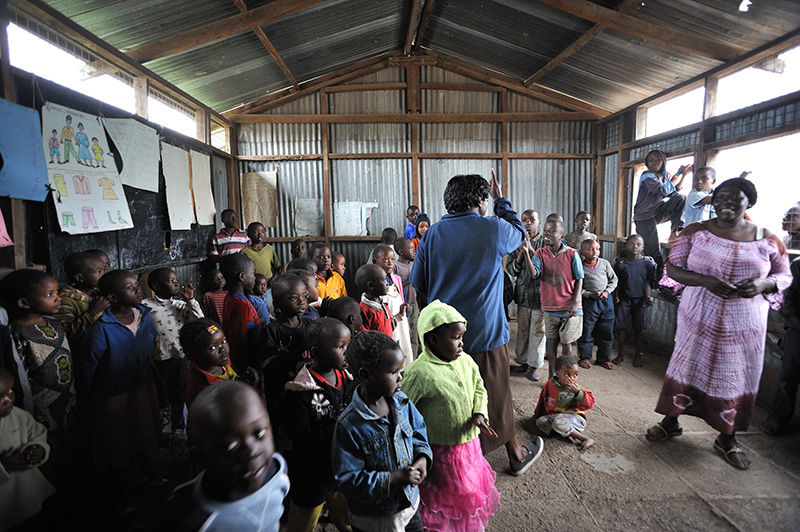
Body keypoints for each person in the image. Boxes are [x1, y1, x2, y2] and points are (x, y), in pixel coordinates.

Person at [646, 178, 791, 470]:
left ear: (749, 201)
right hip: (699, 317)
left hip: (744, 325)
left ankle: (727, 438)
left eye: (735, 197)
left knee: (736, 375)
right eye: (720, 197)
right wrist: (704, 281)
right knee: (687, 365)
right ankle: (671, 421)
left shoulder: (767, 238)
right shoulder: (696, 232)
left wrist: (764, 283)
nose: (726, 202)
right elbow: (672, 267)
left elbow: (784, 276)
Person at [411, 171, 541, 474]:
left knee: (453, 397)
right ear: (482, 200)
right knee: (496, 393)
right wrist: (501, 200)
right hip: (485, 333)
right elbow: (521, 232)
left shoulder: (432, 234)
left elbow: (420, 286)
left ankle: (459, 461)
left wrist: (434, 327)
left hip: (443, 336)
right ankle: (512, 456)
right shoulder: (494, 229)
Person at [402, 301, 503, 530]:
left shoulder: (466, 361)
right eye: (456, 338)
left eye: (461, 337)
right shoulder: (419, 373)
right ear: (432, 339)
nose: (461, 343)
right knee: (449, 495)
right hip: (441, 451)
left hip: (469, 448)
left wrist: (479, 413)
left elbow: (479, 388)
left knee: (469, 489)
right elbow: (403, 409)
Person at [155, 381, 289, 532]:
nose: (252, 451)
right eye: (230, 447)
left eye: (259, 433)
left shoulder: (278, 470)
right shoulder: (186, 517)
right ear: (198, 457)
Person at [332, 331, 432, 532]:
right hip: (375, 519)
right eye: (393, 372)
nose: (400, 376)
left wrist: (422, 458)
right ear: (365, 375)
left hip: (408, 506)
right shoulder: (349, 425)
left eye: (400, 370)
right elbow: (347, 479)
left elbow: (419, 433)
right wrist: (392, 479)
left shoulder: (402, 403)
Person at [80, 270, 163, 514]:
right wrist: (89, 396)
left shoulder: (145, 316)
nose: (138, 290)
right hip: (114, 394)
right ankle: (120, 493)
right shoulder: (102, 328)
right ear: (113, 298)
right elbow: (88, 365)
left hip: (144, 385)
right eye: (130, 288)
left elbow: (149, 349)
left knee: (146, 432)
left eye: (137, 285)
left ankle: (146, 474)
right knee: (118, 443)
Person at [284, 318, 354, 532]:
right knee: (303, 522)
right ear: (316, 352)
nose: (346, 352)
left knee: (347, 519)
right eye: (340, 347)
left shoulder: (346, 378)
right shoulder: (300, 390)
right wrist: (339, 429)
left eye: (347, 346)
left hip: (342, 467)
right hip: (312, 473)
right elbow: (299, 433)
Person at [1, 269, 76, 444]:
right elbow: (21, 373)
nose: (58, 298)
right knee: (47, 441)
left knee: (70, 436)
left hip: (69, 394)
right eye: (49, 294)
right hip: (41, 403)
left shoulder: (55, 323)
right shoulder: (18, 331)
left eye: (57, 292)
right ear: (24, 303)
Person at [143, 267, 204, 438]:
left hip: (179, 359)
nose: (177, 284)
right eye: (172, 281)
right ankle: (160, 430)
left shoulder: (181, 305)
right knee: (159, 397)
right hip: (156, 361)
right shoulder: (145, 306)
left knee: (180, 395)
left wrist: (191, 301)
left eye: (177, 281)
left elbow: (199, 322)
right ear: (156, 286)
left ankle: (179, 430)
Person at [0, 368, 56, 530]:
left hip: (28, 496)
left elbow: (38, 434)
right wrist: (4, 467)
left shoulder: (17, 415)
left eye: (10, 391)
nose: (8, 400)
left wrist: (38, 448)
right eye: (0, 397)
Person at [530, 220, 584, 378]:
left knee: (567, 343)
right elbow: (534, 274)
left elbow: (580, 278)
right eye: (545, 230)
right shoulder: (540, 253)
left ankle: (566, 376)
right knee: (552, 342)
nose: (547, 233)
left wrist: (575, 302)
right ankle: (552, 376)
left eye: (552, 231)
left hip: (570, 308)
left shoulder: (572, 254)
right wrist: (527, 253)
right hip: (550, 307)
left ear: (562, 236)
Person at [761, 255, 800, 436]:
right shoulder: (798, 265)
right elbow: (786, 304)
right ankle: (778, 417)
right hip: (797, 328)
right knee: (788, 376)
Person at [632, 150, 691, 268]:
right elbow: (662, 191)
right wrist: (678, 174)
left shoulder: (666, 176)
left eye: (658, 159)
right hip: (644, 217)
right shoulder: (647, 175)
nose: (655, 162)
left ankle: (675, 231)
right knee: (653, 251)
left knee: (681, 198)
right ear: (647, 163)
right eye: (651, 160)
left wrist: (683, 175)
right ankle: (655, 281)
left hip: (657, 213)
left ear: (663, 161)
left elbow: (673, 192)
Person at [507, 209, 546, 381]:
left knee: (538, 333)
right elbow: (511, 270)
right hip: (523, 296)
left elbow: (548, 268)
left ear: (539, 223)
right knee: (523, 331)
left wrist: (531, 251)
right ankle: (522, 362)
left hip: (541, 297)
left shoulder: (546, 243)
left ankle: (534, 366)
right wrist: (522, 253)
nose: (528, 223)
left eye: (532, 220)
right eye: (524, 220)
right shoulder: (516, 243)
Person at [533, 354, 596, 451]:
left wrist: (577, 393)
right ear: (557, 373)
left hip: (576, 418)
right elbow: (543, 399)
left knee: (558, 423)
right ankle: (565, 434)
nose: (572, 378)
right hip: (557, 416)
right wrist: (537, 414)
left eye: (575, 375)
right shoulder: (550, 384)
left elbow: (590, 403)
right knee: (541, 422)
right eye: (567, 374)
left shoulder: (576, 389)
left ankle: (585, 439)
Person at [612, 235, 657, 368]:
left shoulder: (647, 263)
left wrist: (647, 296)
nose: (635, 247)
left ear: (643, 247)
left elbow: (648, 281)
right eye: (631, 244)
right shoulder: (620, 264)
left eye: (638, 244)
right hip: (624, 299)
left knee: (639, 328)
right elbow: (617, 282)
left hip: (640, 300)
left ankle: (638, 355)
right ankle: (620, 354)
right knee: (621, 328)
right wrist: (616, 296)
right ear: (626, 245)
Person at [55, 251, 110, 350]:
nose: (104, 274)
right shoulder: (66, 300)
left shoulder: (98, 291)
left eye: (104, 270)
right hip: (86, 350)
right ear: (80, 278)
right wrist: (92, 312)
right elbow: (66, 333)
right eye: (99, 272)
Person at [180, 319, 239, 409]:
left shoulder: (221, 363)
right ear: (193, 354)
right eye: (212, 348)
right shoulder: (204, 392)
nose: (222, 349)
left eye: (223, 341)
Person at [577, 239, 618, 369]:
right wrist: (589, 294)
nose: (595, 252)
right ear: (582, 252)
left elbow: (614, 280)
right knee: (587, 330)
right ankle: (585, 357)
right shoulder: (580, 266)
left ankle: (604, 358)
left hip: (606, 301)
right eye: (590, 249)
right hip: (589, 302)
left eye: (597, 249)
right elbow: (577, 288)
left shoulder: (605, 264)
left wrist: (607, 291)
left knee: (606, 330)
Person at [219, 254, 259, 374]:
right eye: (253, 274)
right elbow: (238, 342)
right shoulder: (242, 306)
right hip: (247, 365)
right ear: (242, 276)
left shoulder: (229, 297)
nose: (255, 278)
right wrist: (241, 371)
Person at [373, 245, 412, 364]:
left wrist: (408, 323)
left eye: (392, 259)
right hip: (388, 324)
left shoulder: (396, 279)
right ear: (375, 261)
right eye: (386, 259)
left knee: (404, 347)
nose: (390, 263)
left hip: (401, 322)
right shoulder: (373, 282)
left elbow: (402, 300)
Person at [393, 237, 419, 355]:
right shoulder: (395, 266)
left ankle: (414, 359)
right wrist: (410, 280)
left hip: (414, 304)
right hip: (402, 307)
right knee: (404, 334)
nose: (414, 251)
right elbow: (394, 287)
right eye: (411, 248)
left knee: (415, 334)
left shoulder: (414, 265)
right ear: (401, 252)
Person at [356, 264, 393, 338]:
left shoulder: (383, 303)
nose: (387, 283)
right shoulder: (365, 310)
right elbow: (366, 337)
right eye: (383, 280)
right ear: (371, 285)